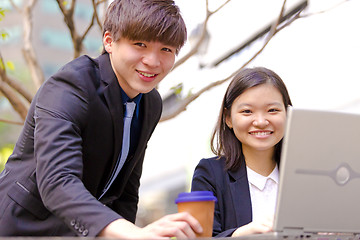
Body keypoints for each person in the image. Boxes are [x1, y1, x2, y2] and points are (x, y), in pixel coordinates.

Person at [0, 0, 203, 238]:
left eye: (166, 50)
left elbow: (126, 189)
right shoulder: (70, 86)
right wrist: (132, 233)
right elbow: (57, 181)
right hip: (21, 229)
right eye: (140, 44)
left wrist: (129, 234)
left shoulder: (151, 102)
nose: (153, 61)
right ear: (109, 41)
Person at [191, 67, 293, 237]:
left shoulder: (305, 173)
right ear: (228, 118)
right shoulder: (209, 174)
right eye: (247, 111)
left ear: (288, 114)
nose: (260, 122)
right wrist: (241, 234)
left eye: (272, 110)